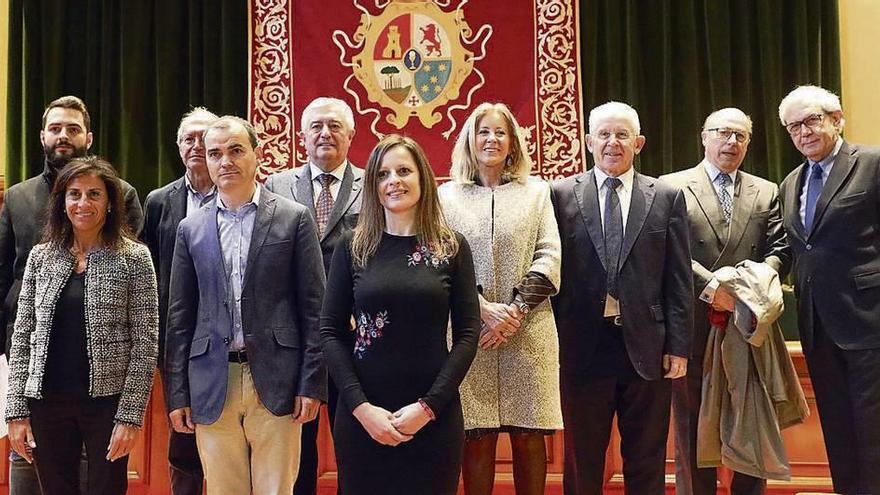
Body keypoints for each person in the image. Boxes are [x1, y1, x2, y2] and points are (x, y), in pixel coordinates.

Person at [165, 116, 326, 494]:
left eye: (236, 150)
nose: (226, 162)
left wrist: (311, 383)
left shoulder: (293, 218)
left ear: (257, 155)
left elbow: (314, 309)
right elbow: (179, 317)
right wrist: (177, 394)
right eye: (215, 153)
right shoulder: (191, 228)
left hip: (277, 378)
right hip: (210, 379)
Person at [320, 135, 480, 495]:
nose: (393, 180)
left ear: (422, 178)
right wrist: (361, 408)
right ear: (373, 185)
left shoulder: (452, 246)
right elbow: (330, 331)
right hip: (363, 415)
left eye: (404, 171)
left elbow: (469, 332)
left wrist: (428, 407)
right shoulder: (353, 246)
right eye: (383, 174)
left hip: (433, 415)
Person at [0, 95, 143, 494]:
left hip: (105, 392)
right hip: (38, 383)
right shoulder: (21, 205)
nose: (83, 203)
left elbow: (143, 335)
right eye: (56, 128)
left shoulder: (130, 246)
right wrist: (15, 402)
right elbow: (18, 310)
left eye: (93, 195)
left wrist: (130, 414)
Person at [550, 101, 693, 494]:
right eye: (605, 135)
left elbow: (678, 277)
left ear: (639, 142)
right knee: (583, 460)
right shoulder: (560, 195)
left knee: (646, 458)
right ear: (588, 141)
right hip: (582, 347)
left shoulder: (665, 196)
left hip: (647, 346)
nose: (613, 143)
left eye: (622, 135)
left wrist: (678, 347)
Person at [661, 108, 795, 494]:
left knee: (752, 420)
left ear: (748, 143)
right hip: (692, 325)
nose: (731, 142)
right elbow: (667, 251)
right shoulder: (671, 187)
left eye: (740, 135)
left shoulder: (767, 191)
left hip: (747, 324)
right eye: (723, 133)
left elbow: (780, 250)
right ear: (704, 137)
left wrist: (743, 285)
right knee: (692, 428)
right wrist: (712, 287)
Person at [437, 102, 562, 495]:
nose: (491, 139)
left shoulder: (537, 192)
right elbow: (440, 259)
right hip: (469, 333)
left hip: (529, 331)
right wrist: (482, 310)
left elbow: (550, 254)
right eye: (483, 132)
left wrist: (515, 312)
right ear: (469, 141)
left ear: (512, 143)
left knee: (529, 435)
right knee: (476, 435)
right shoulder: (446, 197)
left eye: (500, 132)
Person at [777, 85, 880, 494]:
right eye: (794, 126)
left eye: (812, 121)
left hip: (870, 322)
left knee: (873, 429)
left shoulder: (872, 163)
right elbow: (795, 247)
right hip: (818, 327)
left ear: (836, 119)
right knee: (837, 428)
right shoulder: (790, 183)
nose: (804, 132)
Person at [264, 97, 363, 495]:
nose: (325, 133)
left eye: (335, 126)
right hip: (292, 333)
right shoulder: (276, 185)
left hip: (352, 332)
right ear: (301, 136)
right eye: (316, 126)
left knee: (351, 438)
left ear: (351, 135)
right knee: (296, 443)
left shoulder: (370, 184)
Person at [141, 107, 217, 494]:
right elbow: (148, 269)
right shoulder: (158, 202)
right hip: (176, 337)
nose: (196, 145)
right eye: (189, 138)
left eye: (205, 137)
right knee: (182, 430)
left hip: (226, 334)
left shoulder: (241, 197)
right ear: (179, 147)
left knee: (223, 433)